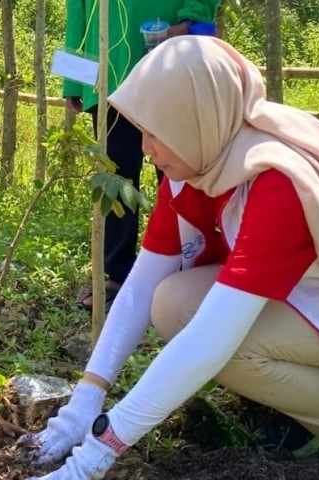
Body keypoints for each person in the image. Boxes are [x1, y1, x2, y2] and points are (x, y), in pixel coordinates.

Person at [19, 36, 319, 480]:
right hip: (318, 300)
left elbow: (210, 340)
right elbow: (142, 284)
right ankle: (316, 411)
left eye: (156, 131)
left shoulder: (279, 181)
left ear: (196, 117)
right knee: (172, 302)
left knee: (219, 341)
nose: (146, 148)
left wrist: (99, 450)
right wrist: (86, 400)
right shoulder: (200, 160)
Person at [66, 0, 220, 310]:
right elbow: (77, 13)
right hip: (108, 77)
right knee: (115, 177)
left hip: (167, 65)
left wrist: (189, 25)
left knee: (179, 172)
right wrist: (73, 80)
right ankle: (116, 274)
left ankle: (190, 268)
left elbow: (201, 8)